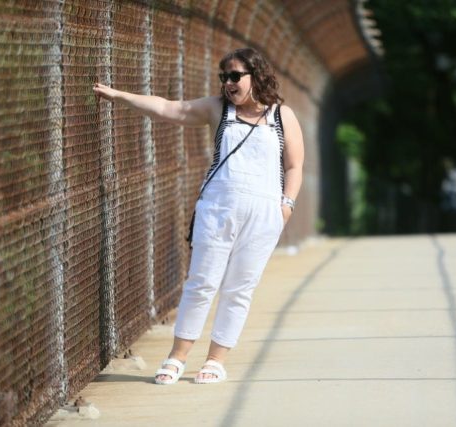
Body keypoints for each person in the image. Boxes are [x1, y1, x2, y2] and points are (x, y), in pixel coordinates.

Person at [93, 47, 304, 384]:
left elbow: (294, 165)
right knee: (201, 283)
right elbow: (168, 109)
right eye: (224, 78)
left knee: (239, 289)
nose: (229, 83)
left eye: (236, 76)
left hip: (264, 214)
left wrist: (286, 207)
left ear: (256, 75)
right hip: (218, 209)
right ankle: (177, 356)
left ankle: (215, 360)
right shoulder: (218, 109)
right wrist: (119, 95)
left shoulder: (282, 116)